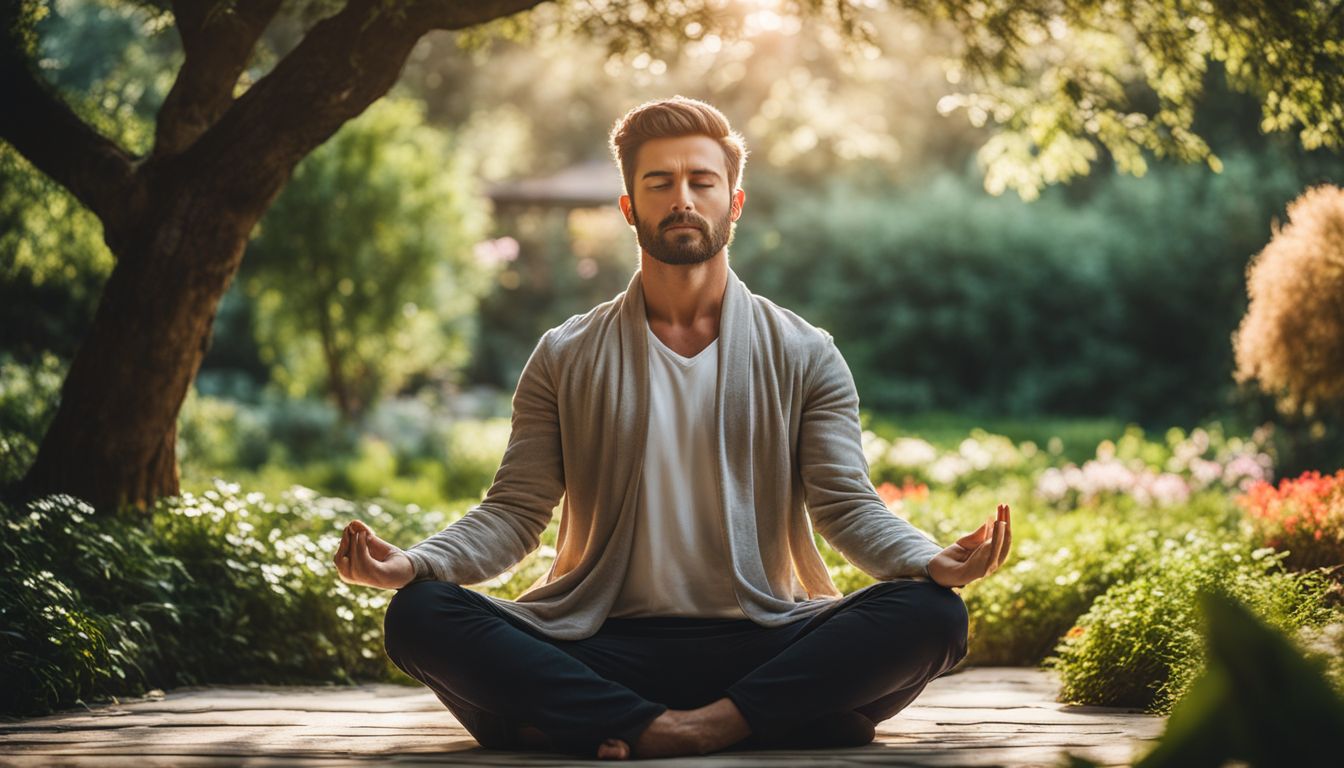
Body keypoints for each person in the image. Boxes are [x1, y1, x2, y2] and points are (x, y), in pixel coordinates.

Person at [332, 96, 1012, 760]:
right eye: (659, 183)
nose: (681, 197)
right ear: (630, 207)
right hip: (599, 639)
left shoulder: (806, 352)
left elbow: (847, 504)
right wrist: (414, 563)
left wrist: (928, 560)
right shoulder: (565, 354)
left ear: (733, 203)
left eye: (701, 181)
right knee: (421, 615)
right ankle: (770, 722)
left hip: (762, 638)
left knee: (933, 616)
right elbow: (513, 513)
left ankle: (615, 727)